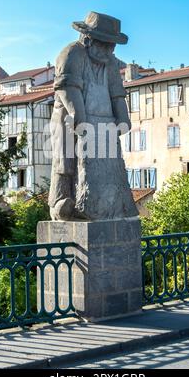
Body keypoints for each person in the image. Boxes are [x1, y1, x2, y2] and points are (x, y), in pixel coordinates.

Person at [48, 11, 138, 221]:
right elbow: (68, 87)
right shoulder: (71, 53)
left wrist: (123, 117)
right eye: (105, 44)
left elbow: (117, 93)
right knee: (66, 160)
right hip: (69, 118)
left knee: (110, 165)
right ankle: (60, 202)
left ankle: (115, 207)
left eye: (112, 45)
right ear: (88, 39)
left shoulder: (110, 62)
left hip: (104, 123)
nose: (110, 49)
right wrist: (79, 115)